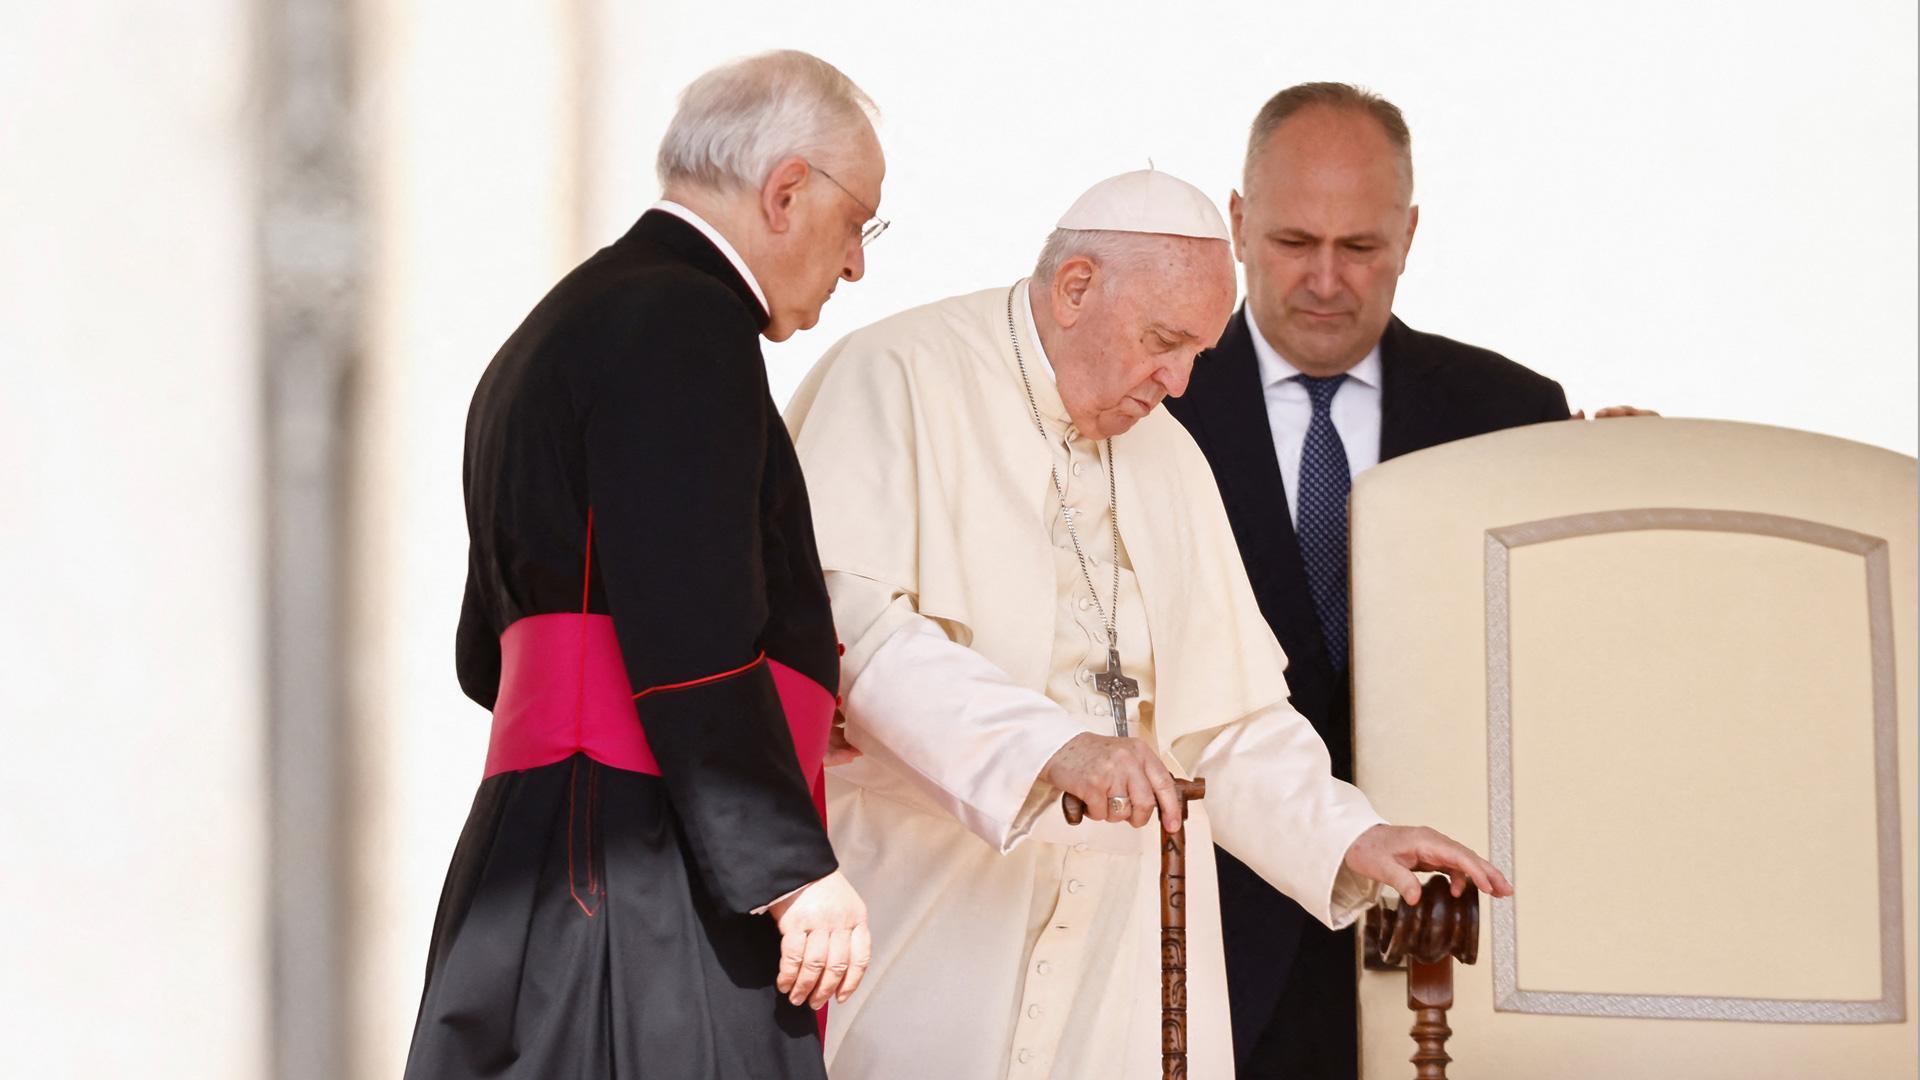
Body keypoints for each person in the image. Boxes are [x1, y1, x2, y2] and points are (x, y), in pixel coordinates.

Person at [785, 168, 1512, 1080]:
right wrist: (1053, 751)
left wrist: (1350, 837)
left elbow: (1226, 722)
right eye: (1163, 343)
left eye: (1198, 354)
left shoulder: (1165, 452)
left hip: (1125, 932)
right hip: (936, 901)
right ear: (1076, 288)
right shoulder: (898, 375)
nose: (1177, 382)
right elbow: (857, 637)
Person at [404, 50, 887, 1080]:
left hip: (546, 849)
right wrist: (791, 871)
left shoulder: (562, 322)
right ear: (787, 191)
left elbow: (493, 660)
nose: (855, 264)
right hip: (640, 869)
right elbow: (689, 625)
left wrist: (792, 704)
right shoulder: (683, 326)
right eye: (859, 224)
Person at [1164, 81, 1649, 1078]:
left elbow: (1569, 667)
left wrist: (1622, 517)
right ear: (1240, 224)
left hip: (1438, 945)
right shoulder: (1151, 404)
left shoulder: (1512, 411)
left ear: (1411, 233)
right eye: (1297, 243)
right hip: (1205, 938)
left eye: (1363, 247)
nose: (1329, 281)